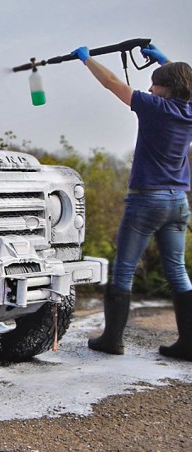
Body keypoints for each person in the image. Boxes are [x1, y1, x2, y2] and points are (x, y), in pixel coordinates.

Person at [70, 44, 192, 360]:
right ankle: (189, 343)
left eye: (155, 84)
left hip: (147, 202)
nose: (149, 89)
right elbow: (186, 82)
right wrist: (164, 61)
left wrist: (86, 59)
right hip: (178, 203)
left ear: (167, 89)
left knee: (123, 270)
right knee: (177, 271)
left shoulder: (154, 107)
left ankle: (112, 340)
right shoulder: (189, 111)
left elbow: (112, 82)